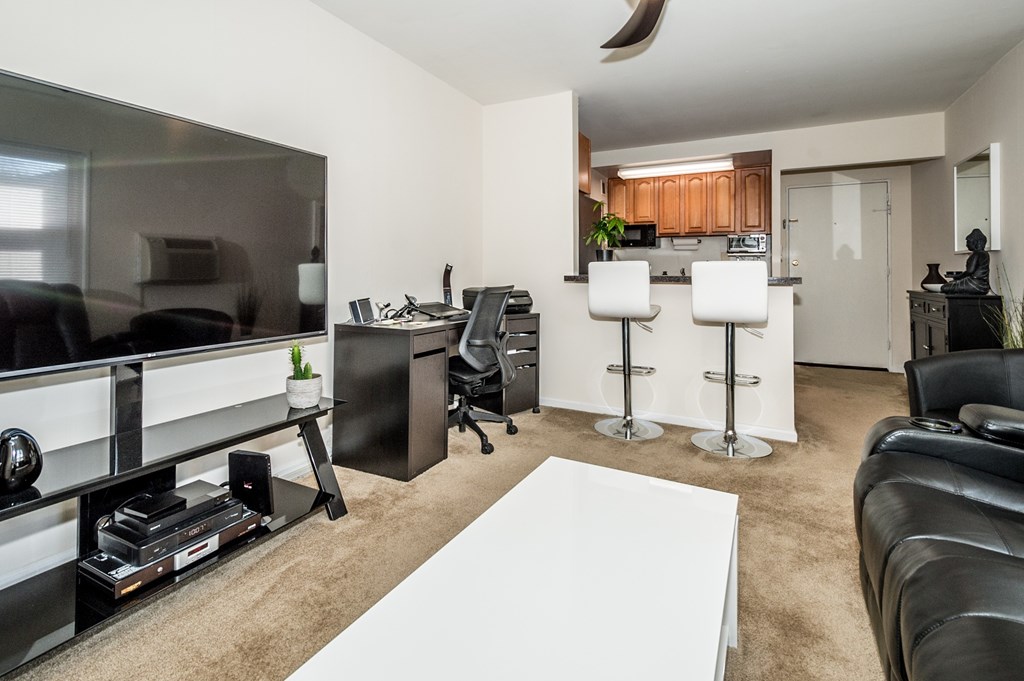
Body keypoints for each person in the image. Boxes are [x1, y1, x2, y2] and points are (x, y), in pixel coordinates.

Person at [941, 228, 990, 294]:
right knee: (951, 284)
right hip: (984, 285)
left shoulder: (976, 254)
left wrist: (958, 277)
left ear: (975, 242)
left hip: (975, 284)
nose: (967, 245)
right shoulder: (985, 254)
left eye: (968, 242)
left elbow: (970, 271)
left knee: (944, 287)